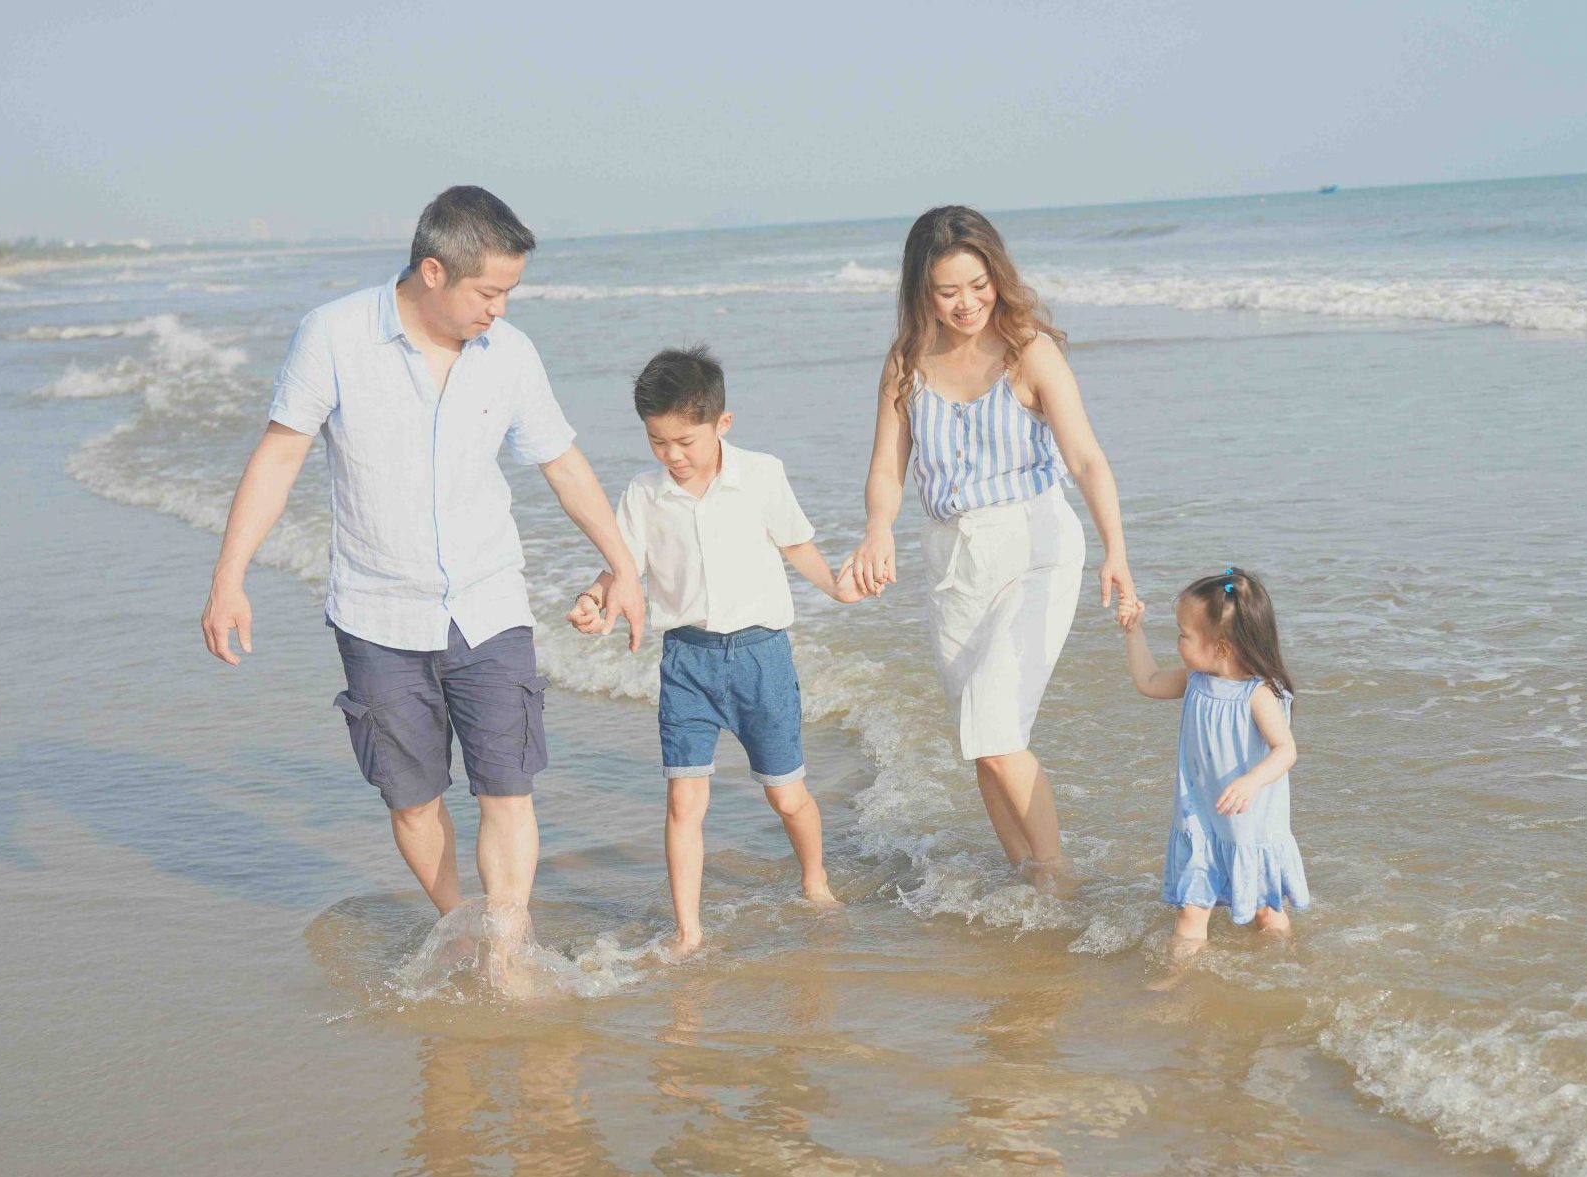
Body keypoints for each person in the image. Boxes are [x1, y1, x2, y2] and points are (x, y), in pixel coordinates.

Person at [199, 186, 645, 982]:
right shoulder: (333, 335)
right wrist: (228, 576)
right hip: (376, 614)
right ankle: (461, 926)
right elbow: (278, 455)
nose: (500, 310)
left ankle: (506, 954)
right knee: (411, 798)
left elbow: (561, 461)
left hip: (489, 601)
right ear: (434, 272)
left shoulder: (509, 354)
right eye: (489, 292)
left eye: (509, 292)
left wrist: (623, 564)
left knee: (508, 789)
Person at [848, 205, 1134, 890]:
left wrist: (1115, 550)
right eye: (947, 291)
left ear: (996, 276)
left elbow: (1086, 458)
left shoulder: (1029, 350)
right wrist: (876, 529)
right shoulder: (905, 366)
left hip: (1033, 545)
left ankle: (1057, 877)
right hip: (951, 562)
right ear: (921, 290)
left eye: (978, 284)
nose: (967, 303)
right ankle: (1029, 879)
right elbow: (887, 469)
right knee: (981, 745)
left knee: (996, 730)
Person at [569, 346, 862, 954]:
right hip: (687, 661)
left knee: (786, 794)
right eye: (657, 442)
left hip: (763, 657)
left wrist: (835, 585)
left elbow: (796, 544)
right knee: (684, 799)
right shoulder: (644, 495)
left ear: (721, 424)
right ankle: (688, 931)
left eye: (685, 441)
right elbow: (622, 568)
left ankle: (816, 880)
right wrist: (596, 600)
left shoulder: (761, 474)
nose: (672, 456)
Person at [1118, 568, 1310, 982]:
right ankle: (1177, 980)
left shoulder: (1257, 695)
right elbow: (1148, 681)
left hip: (1249, 827)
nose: (1178, 641)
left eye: (1184, 634)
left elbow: (1286, 749)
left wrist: (1252, 780)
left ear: (1221, 647)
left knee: (1266, 912)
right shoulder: (1195, 681)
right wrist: (1134, 633)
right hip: (1201, 823)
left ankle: (1288, 973)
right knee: (1191, 911)